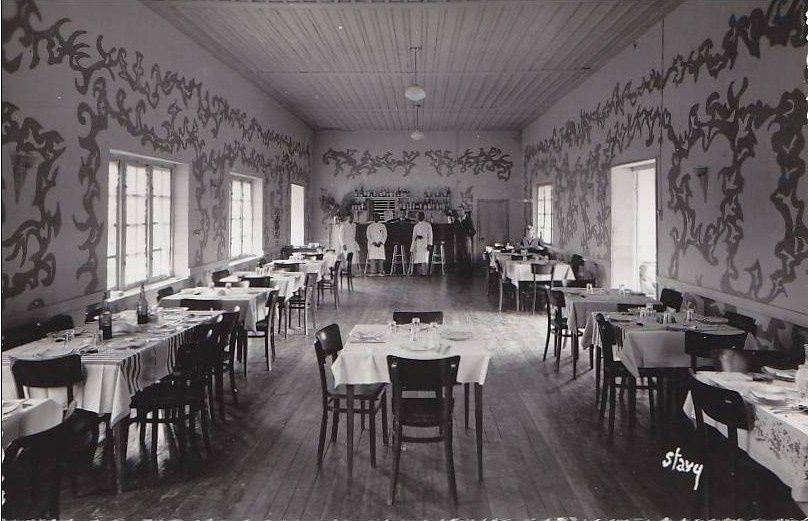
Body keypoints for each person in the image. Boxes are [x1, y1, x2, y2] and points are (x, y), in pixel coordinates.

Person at [456, 210, 476, 276]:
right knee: (459, 255)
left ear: (463, 212)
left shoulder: (468, 219)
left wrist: (468, 236)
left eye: (461, 211)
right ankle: (461, 272)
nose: (459, 212)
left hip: (466, 240)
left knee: (467, 256)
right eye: (459, 211)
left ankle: (468, 272)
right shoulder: (457, 220)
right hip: (459, 240)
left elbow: (473, 231)